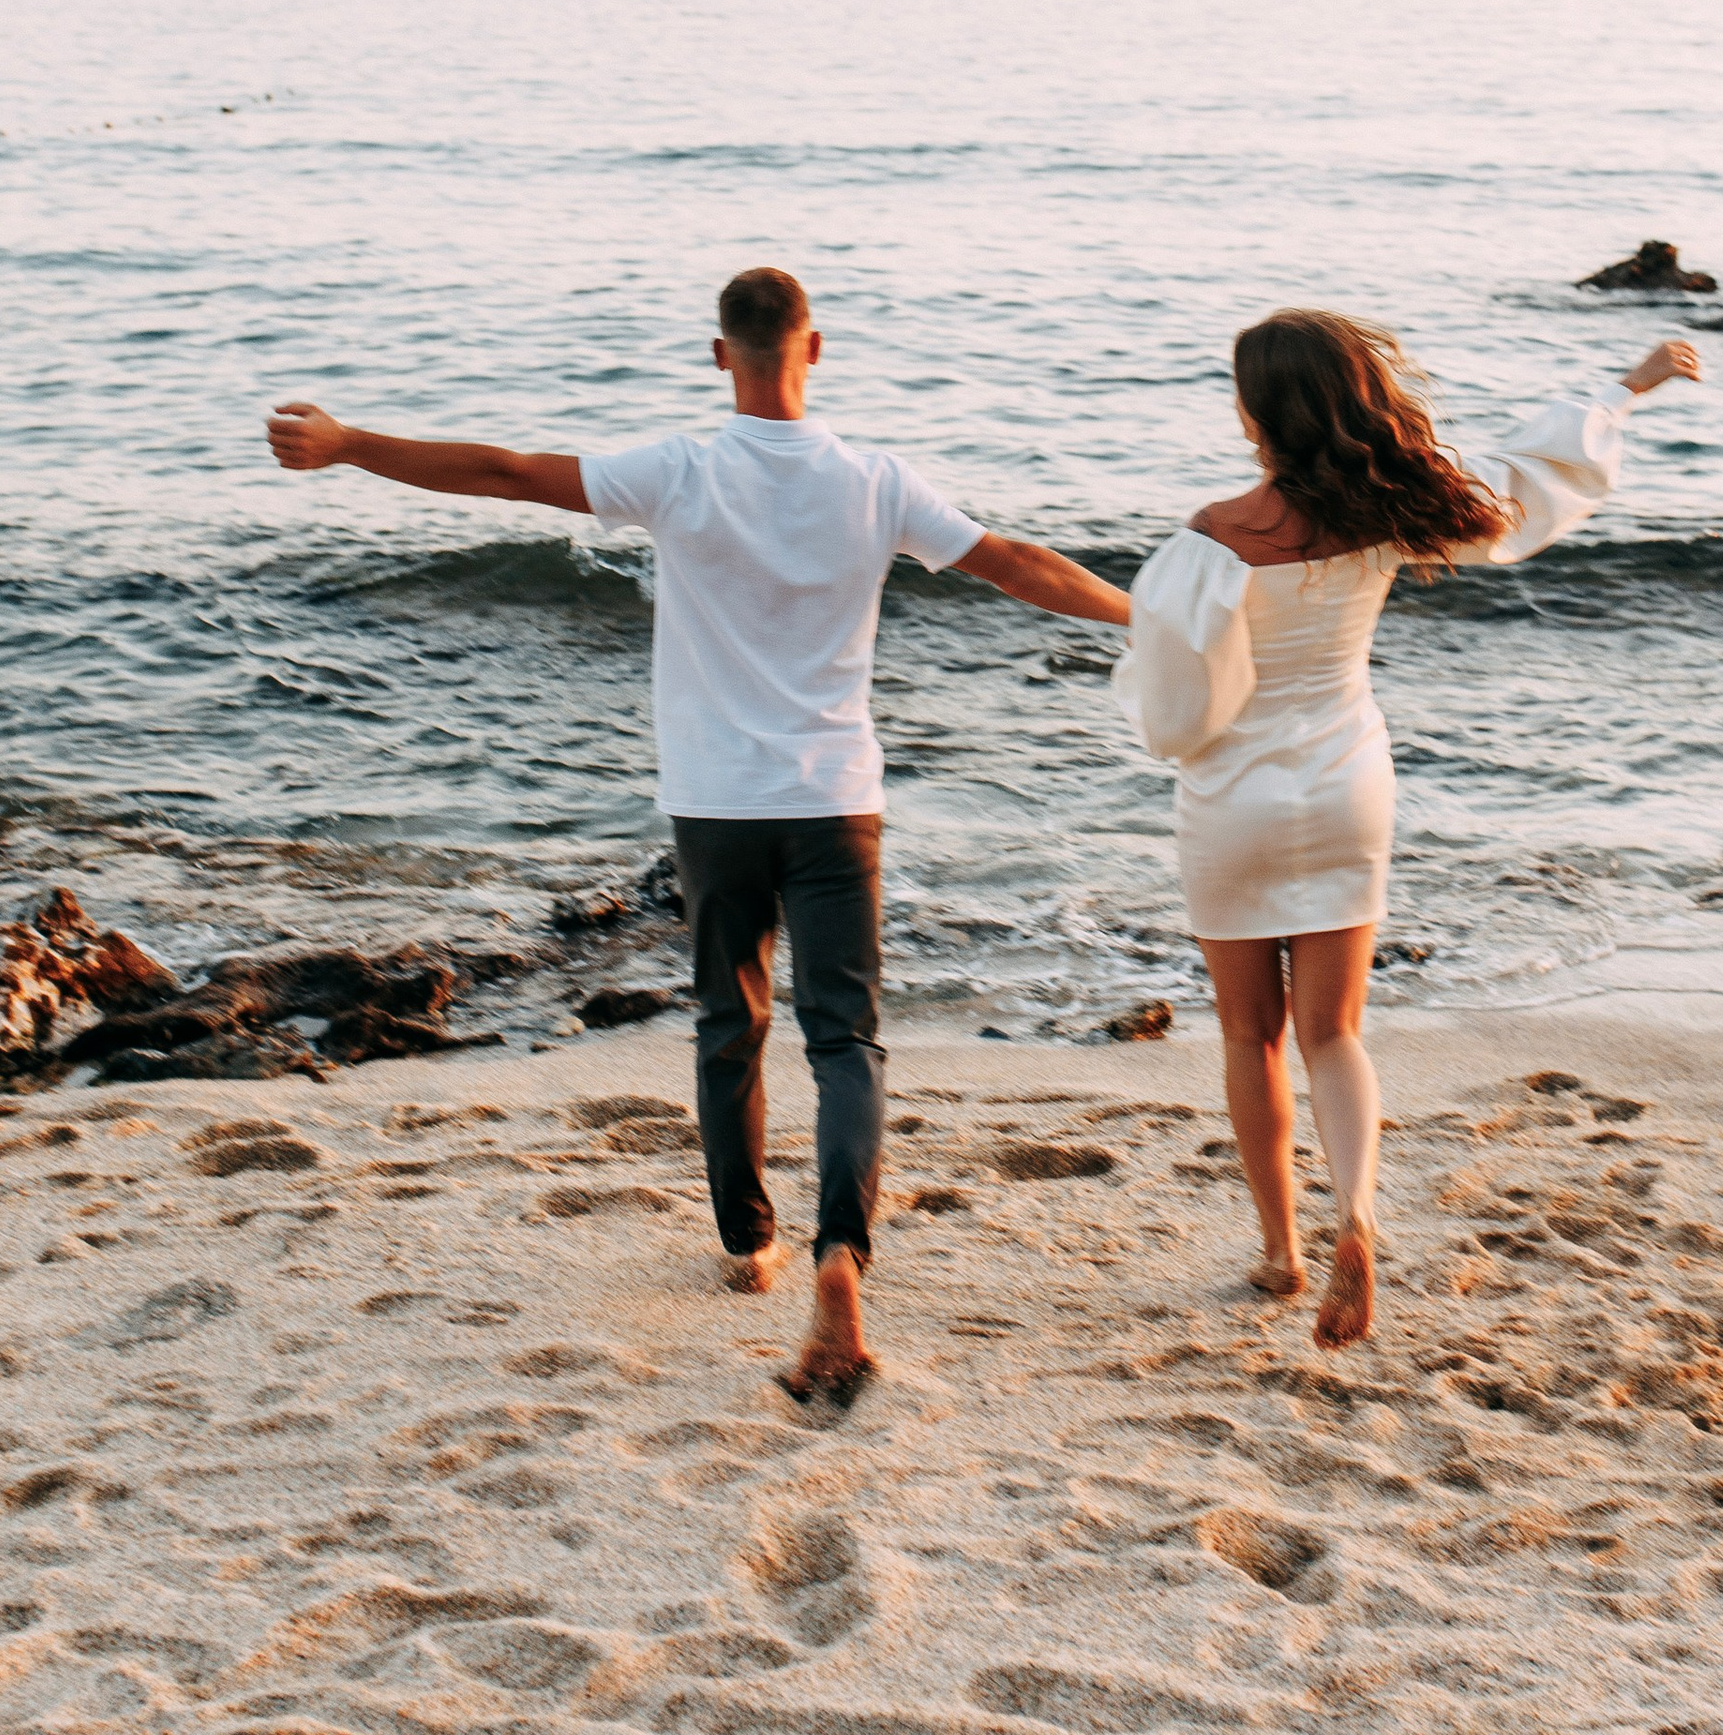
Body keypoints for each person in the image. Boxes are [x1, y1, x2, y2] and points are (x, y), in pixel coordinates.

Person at [267, 266, 1129, 1395]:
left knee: (731, 1024)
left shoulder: (676, 471)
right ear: (813, 351)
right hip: (835, 800)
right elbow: (1016, 564)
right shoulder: (876, 482)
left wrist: (346, 444)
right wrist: (1143, 613)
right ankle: (841, 1254)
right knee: (846, 1040)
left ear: (720, 355)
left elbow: (502, 472)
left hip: (717, 805)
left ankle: (750, 1243)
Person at [1118, 311, 1700, 1350]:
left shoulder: (1210, 535)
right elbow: (1524, 499)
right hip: (1348, 782)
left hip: (1233, 800)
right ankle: (1359, 1219)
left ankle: (1281, 1251)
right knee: (1335, 1032)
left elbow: (1172, 708)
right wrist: (1623, 390)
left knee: (1251, 1034)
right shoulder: (1389, 512)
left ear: (1254, 411)